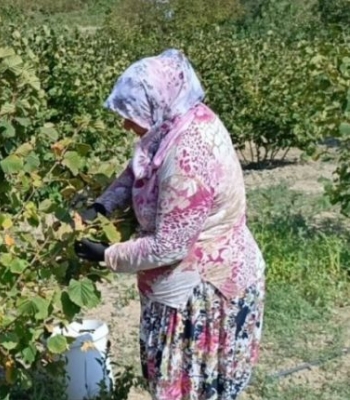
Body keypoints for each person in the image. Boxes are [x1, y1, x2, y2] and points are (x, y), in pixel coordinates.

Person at [74, 49, 266, 400]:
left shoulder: (189, 152)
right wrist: (102, 206)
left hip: (203, 294)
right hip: (186, 285)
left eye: (129, 114)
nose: (125, 124)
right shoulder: (178, 121)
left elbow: (169, 245)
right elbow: (138, 169)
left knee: (193, 389)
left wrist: (107, 254)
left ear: (155, 103)